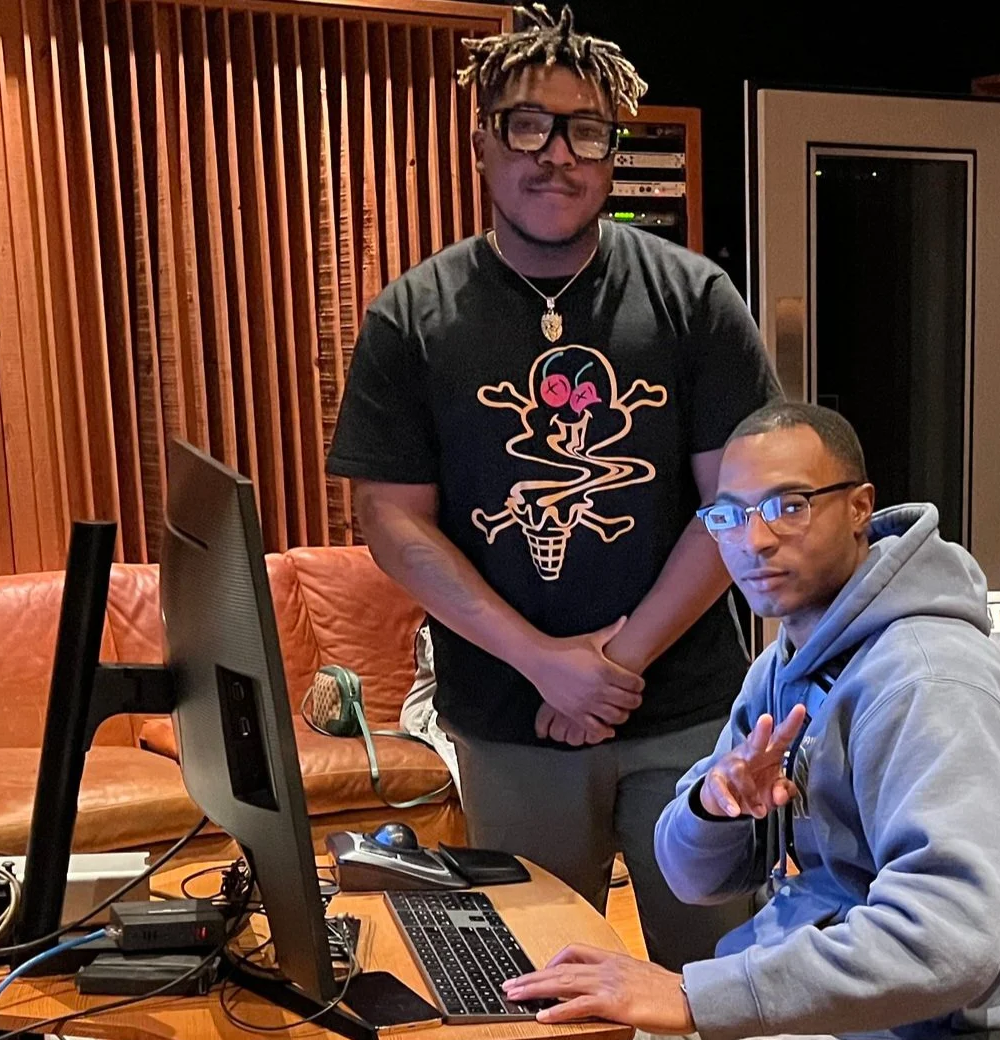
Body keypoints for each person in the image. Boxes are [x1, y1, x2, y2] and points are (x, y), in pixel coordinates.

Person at [472, 401, 1000, 1040]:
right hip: (808, 1018)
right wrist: (717, 806)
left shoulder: (924, 681)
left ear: (860, 507)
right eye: (728, 514)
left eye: (788, 505)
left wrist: (698, 996)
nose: (753, 539)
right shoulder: (792, 652)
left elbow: (946, 942)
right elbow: (692, 875)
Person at [326, 4, 778, 970]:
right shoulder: (413, 319)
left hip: (688, 710)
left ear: (611, 152)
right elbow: (390, 521)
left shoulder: (695, 300)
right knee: (539, 989)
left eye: (585, 130)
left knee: (724, 983)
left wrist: (606, 664)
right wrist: (540, 661)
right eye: (529, 124)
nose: (556, 153)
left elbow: (733, 509)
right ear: (484, 141)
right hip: (507, 720)